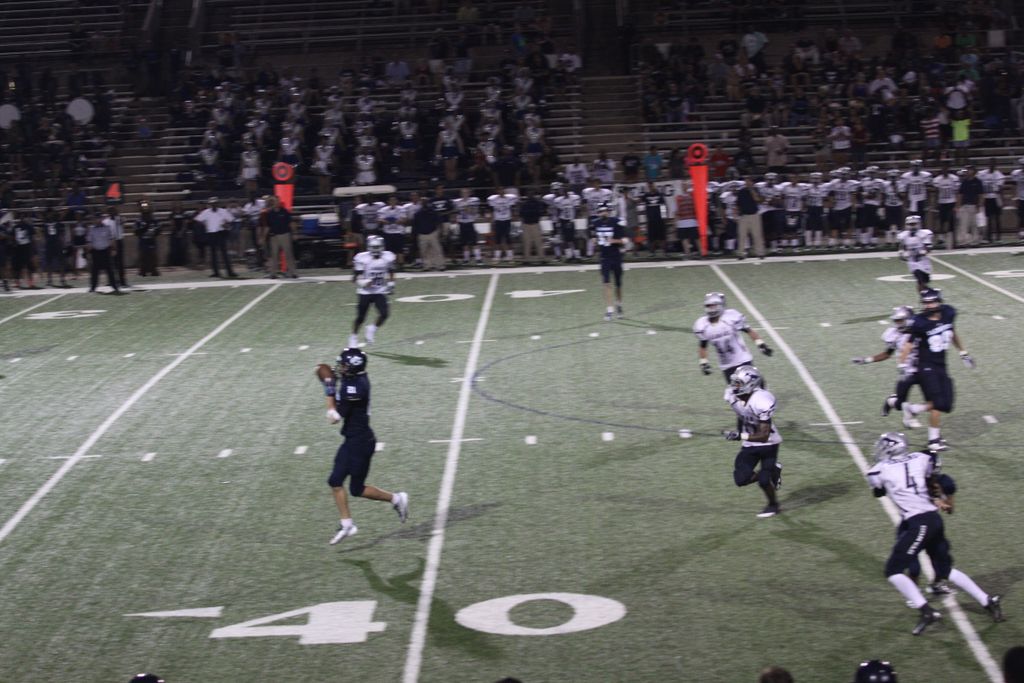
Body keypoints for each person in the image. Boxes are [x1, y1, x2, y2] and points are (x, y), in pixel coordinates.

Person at [866, 432, 1003, 636]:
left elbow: (878, 491)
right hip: (934, 519)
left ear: (891, 448)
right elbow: (933, 472)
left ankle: (927, 612)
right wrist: (937, 496)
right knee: (944, 570)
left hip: (918, 522)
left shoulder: (879, 470)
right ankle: (988, 601)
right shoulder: (921, 458)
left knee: (893, 571)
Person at [315, 347, 409, 545]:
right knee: (337, 482)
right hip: (353, 440)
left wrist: (329, 389)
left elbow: (333, 418)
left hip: (360, 443)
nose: (340, 368)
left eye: (343, 365)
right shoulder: (354, 379)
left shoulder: (356, 387)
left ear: (353, 368)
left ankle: (396, 499)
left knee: (354, 488)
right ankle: (348, 524)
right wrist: (331, 384)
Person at [898, 288, 974, 452]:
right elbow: (908, 344)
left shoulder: (948, 313)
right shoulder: (919, 322)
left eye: (931, 302)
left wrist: (963, 352)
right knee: (938, 404)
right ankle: (933, 441)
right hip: (926, 366)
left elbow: (952, 332)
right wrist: (902, 364)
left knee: (947, 404)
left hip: (941, 365)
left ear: (939, 302)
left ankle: (913, 409)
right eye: (925, 303)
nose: (928, 305)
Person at [722, 366, 783, 518]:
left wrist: (740, 436)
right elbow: (741, 414)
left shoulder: (761, 400)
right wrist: (739, 432)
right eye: (735, 383)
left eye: (739, 383)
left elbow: (763, 436)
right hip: (749, 445)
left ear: (750, 384)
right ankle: (773, 470)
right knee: (741, 479)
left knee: (764, 481)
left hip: (769, 444)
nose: (735, 387)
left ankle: (773, 505)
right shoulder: (732, 396)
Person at [853, 306, 928, 429]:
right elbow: (887, 354)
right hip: (907, 372)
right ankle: (891, 401)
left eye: (901, 320)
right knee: (899, 404)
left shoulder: (920, 330)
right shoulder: (895, 335)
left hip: (924, 370)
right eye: (896, 320)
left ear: (909, 319)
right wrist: (866, 360)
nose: (898, 323)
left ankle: (912, 414)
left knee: (936, 398)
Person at [694, 292, 773, 382]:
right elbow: (703, 346)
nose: (711, 309)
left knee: (755, 383)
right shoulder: (702, 325)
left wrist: (761, 344)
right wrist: (703, 362)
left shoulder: (731, 317)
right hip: (726, 365)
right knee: (736, 388)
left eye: (713, 306)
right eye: (709, 306)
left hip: (743, 359)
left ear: (720, 305)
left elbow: (748, 330)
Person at [349, 235, 396, 348]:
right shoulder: (362, 258)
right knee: (361, 318)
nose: (376, 250)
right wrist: (362, 282)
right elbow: (354, 278)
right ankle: (353, 336)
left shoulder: (388, 257)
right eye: (374, 247)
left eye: (378, 247)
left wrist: (391, 284)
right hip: (365, 292)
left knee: (384, 314)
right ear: (369, 247)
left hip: (379, 291)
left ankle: (372, 329)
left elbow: (391, 271)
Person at [591, 202, 625, 321]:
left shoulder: (616, 222)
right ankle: (609, 310)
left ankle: (619, 305)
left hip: (616, 256)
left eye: (605, 210)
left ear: (609, 211)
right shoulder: (595, 223)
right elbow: (593, 237)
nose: (603, 213)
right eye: (601, 211)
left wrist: (614, 241)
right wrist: (594, 241)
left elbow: (624, 240)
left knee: (618, 284)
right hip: (604, 257)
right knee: (606, 283)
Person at [194, 198, 237, 278]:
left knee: (224, 253)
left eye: (215, 203)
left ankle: (230, 272)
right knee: (213, 254)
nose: (214, 205)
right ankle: (216, 272)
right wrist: (205, 224)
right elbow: (198, 219)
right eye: (212, 203)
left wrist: (227, 225)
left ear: (218, 204)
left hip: (221, 232)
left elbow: (231, 219)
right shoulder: (206, 212)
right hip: (211, 233)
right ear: (210, 204)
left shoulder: (223, 211)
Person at [895, 215, 933, 293]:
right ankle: (924, 296)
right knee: (920, 280)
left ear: (918, 224)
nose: (912, 226)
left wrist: (922, 252)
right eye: (910, 224)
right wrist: (901, 254)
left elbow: (928, 248)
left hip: (923, 261)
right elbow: (901, 246)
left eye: (914, 224)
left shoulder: (924, 233)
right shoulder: (903, 235)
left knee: (925, 281)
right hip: (912, 262)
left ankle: (929, 293)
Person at [87, 212, 121, 294]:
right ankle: (93, 287)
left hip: (106, 251)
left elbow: (111, 239)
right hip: (96, 252)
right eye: (95, 218)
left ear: (101, 219)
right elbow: (89, 242)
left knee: (110, 270)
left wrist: (114, 249)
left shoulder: (107, 228)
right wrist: (88, 252)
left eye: (98, 218)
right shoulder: (91, 229)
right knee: (94, 271)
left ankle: (114, 286)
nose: (97, 220)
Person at [262, 197, 296, 278]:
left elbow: (291, 223)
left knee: (288, 253)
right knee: (274, 255)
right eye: (275, 201)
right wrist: (263, 237)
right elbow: (268, 226)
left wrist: (294, 233)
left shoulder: (284, 211)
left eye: (278, 201)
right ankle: (273, 273)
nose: (277, 203)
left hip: (285, 234)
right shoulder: (270, 213)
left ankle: (292, 273)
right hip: (274, 236)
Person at [487, 188, 519, 264]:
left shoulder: (509, 198)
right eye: (499, 191)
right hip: (498, 221)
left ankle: (510, 257)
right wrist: (491, 220)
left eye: (502, 191)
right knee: (497, 240)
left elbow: (514, 206)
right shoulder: (493, 199)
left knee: (508, 239)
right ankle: (497, 257)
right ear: (497, 192)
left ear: (504, 191)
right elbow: (491, 210)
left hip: (507, 220)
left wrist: (514, 216)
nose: (501, 192)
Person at [736, 177, 764, 259]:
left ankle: (760, 253)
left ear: (752, 182)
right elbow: (738, 204)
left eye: (749, 181)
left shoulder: (756, 190)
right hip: (743, 216)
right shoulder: (741, 191)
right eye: (746, 182)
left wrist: (752, 190)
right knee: (742, 235)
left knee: (757, 235)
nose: (747, 183)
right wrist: (736, 216)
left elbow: (758, 199)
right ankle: (741, 254)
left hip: (754, 215)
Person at [453, 187, 482, 265]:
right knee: (464, 243)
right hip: (461, 223)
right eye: (463, 193)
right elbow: (454, 212)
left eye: (466, 192)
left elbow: (475, 212)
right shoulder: (457, 202)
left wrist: (469, 210)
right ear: (460, 194)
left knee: (474, 242)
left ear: (469, 193)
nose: (464, 194)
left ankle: (478, 259)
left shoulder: (473, 201)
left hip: (470, 223)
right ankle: (466, 259)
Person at [41, 207, 69, 287]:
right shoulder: (45, 222)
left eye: (51, 213)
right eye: (48, 213)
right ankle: (49, 280)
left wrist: (61, 210)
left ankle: (62, 279)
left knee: (61, 262)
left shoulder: (57, 220)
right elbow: (43, 233)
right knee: (49, 263)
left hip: (57, 243)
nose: (50, 214)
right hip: (49, 244)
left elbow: (64, 213)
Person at [518, 189, 547, 264]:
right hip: (527, 224)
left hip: (534, 223)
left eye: (531, 194)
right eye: (529, 194)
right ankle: (527, 259)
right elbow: (521, 214)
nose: (530, 195)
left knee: (538, 242)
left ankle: (541, 258)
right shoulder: (524, 203)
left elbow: (541, 212)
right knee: (527, 242)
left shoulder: (537, 203)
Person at [103, 206, 128, 288]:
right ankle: (112, 280)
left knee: (120, 263)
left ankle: (122, 281)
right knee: (111, 262)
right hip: (110, 242)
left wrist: (118, 216)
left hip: (119, 241)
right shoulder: (105, 221)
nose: (112, 212)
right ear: (108, 212)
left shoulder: (119, 219)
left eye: (113, 211)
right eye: (110, 211)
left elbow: (124, 221)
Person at [640, 181, 667, 257]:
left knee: (662, 236)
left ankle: (664, 252)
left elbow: (663, 206)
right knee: (651, 237)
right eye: (649, 186)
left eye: (651, 186)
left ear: (654, 186)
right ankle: (652, 252)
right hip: (650, 220)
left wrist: (664, 217)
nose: (650, 187)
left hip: (660, 219)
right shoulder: (646, 195)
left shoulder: (659, 194)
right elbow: (639, 202)